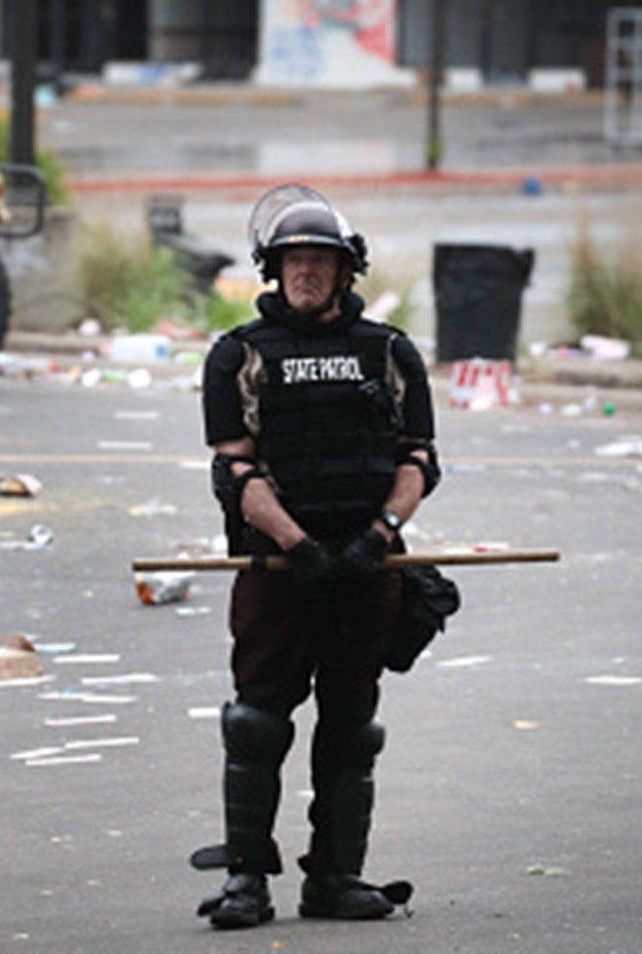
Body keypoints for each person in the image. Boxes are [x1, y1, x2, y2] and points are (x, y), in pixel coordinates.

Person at [193, 184, 440, 930]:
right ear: (273, 270)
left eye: (320, 261)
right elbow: (233, 470)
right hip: (278, 571)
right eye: (293, 260)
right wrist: (297, 546)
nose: (305, 272)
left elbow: (420, 460)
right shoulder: (238, 355)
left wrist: (379, 536)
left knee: (352, 726)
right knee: (257, 722)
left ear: (345, 273)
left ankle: (335, 878)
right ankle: (246, 882)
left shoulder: (390, 352)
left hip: (369, 569)